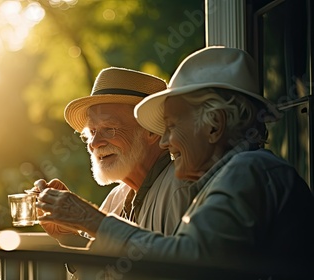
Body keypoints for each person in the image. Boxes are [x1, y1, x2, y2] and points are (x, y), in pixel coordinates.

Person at [36, 47, 314, 278]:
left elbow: (188, 263)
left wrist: (92, 220)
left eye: (171, 126)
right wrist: (75, 233)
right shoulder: (232, 175)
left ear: (214, 125)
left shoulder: (250, 169)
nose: (165, 141)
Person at [34, 67, 197, 250]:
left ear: (151, 131)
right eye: (92, 132)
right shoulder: (117, 197)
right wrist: (68, 234)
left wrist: (86, 217)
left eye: (108, 128)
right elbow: (105, 269)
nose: (94, 143)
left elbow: (172, 267)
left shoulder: (181, 189)